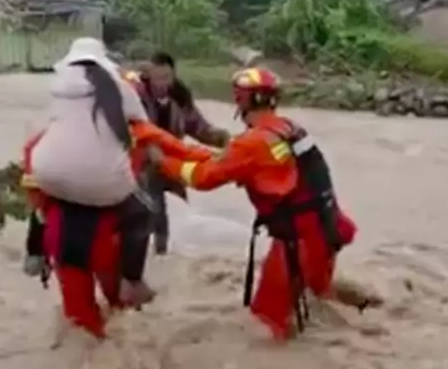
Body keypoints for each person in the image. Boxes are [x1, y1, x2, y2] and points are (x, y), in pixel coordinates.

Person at [21, 37, 213, 339]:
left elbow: (35, 188)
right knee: (123, 310)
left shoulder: (52, 111)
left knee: (80, 323)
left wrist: (36, 249)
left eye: (167, 76)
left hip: (60, 235)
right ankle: (132, 281)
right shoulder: (126, 98)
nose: (163, 82)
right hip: (109, 229)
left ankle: (34, 255)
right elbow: (163, 142)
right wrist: (216, 158)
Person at [152, 67, 358, 341]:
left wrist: (160, 162)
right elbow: (228, 160)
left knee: (266, 323)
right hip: (327, 230)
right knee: (321, 299)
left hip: (295, 245)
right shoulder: (288, 129)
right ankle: (366, 310)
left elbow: (202, 178)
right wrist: (173, 147)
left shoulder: (251, 144)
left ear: (242, 101)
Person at [125, 52, 231, 255]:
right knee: (153, 212)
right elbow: (128, 129)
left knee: (178, 213)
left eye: (167, 78)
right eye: (158, 78)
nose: (162, 83)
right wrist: (148, 149)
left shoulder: (180, 97)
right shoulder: (134, 97)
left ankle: (168, 256)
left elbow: (199, 128)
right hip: (143, 165)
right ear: (148, 75)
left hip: (171, 162)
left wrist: (223, 139)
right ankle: (156, 258)